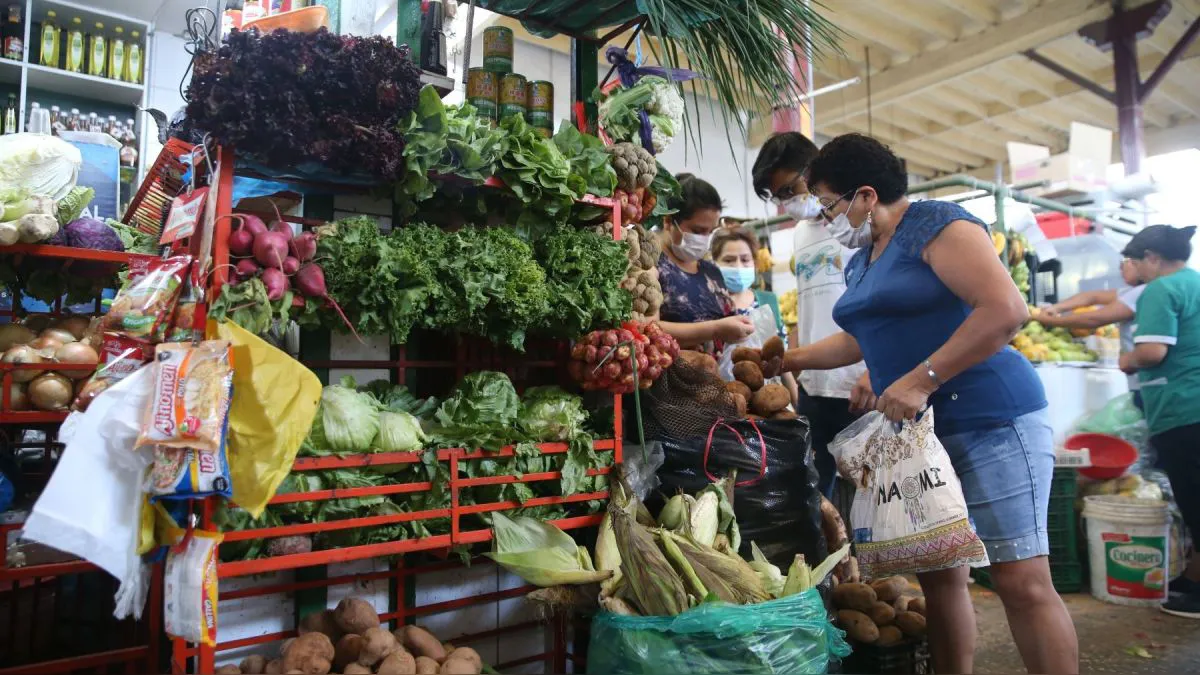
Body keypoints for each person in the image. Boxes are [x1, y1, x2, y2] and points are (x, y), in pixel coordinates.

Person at [784, 133, 1077, 674]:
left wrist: (921, 379)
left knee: (1020, 579)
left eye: (830, 203)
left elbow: (1004, 310)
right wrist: (789, 359)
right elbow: (859, 337)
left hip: (994, 419)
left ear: (866, 195)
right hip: (924, 439)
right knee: (941, 578)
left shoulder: (937, 224)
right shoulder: (863, 260)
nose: (827, 217)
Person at [752, 132, 869, 496]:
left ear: (813, 168)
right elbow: (810, 306)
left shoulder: (859, 223)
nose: (787, 202)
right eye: (778, 197)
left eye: (789, 189)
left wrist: (876, 371)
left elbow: (884, 308)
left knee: (877, 498)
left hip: (863, 385)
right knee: (816, 499)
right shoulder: (800, 235)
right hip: (815, 389)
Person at [1118, 224, 1200, 618]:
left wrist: (1126, 360)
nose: (1135, 270)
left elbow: (1151, 352)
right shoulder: (1194, 283)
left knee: (1195, 498)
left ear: (1151, 257)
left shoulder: (1162, 289)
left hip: (1185, 408)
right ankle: (1193, 578)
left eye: (1134, 261)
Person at [655, 173, 754, 351]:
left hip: (717, 375)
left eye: (710, 232)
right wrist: (715, 330)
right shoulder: (651, 268)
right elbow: (648, 330)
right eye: (698, 230)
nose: (705, 239)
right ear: (669, 221)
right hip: (671, 376)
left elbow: (728, 319)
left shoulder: (711, 272)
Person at [710, 226, 799, 406]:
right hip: (723, 400)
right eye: (728, 260)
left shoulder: (768, 300)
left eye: (745, 259)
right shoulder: (708, 304)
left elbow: (781, 360)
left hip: (768, 398)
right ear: (715, 263)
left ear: (754, 263)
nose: (738, 266)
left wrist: (797, 404)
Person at [1038, 258, 1145, 403]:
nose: (1121, 268)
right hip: (1142, 382)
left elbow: (1094, 319)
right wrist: (1056, 308)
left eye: (1125, 261)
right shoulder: (1133, 291)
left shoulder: (1142, 292)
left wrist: (1049, 320)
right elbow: (1092, 297)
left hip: (1147, 381)